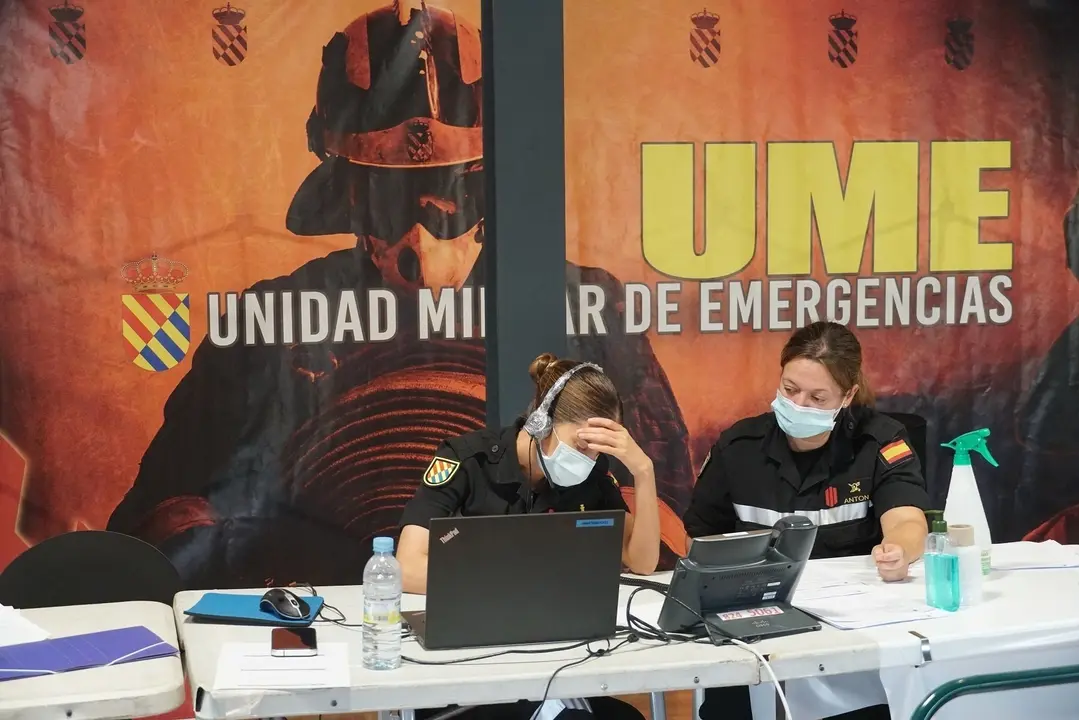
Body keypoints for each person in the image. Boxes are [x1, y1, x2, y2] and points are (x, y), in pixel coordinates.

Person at [104, 1, 693, 589]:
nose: (420, 235)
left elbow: (662, 514)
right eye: (388, 193)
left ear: (490, 184)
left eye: (449, 192)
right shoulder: (268, 324)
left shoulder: (586, 304)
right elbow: (159, 526)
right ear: (348, 191)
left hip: (528, 592)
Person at [684, 321, 930, 720]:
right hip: (754, 627)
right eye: (790, 389)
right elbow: (700, 539)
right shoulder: (738, 448)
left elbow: (907, 518)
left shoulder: (880, 442)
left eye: (818, 398)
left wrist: (899, 550)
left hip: (849, 633)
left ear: (847, 395)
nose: (799, 405)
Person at [397, 352, 659, 720]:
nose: (588, 458)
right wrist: (512, 584)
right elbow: (406, 567)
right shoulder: (467, 460)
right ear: (541, 421)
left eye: (598, 449)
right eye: (581, 445)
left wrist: (644, 471)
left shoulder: (592, 475)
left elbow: (642, 561)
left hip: (556, 661)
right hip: (471, 665)